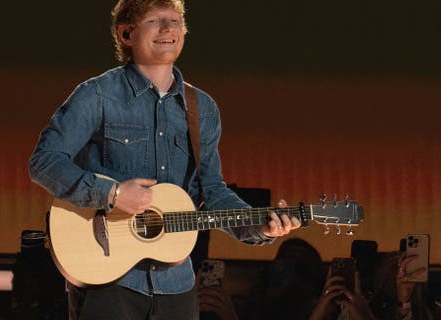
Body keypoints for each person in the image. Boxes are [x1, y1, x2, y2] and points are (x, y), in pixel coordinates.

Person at [28, 0, 301, 319]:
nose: (169, 28)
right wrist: (112, 194)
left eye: (175, 20)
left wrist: (261, 227)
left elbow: (212, 192)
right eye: (155, 21)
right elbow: (44, 161)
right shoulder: (97, 95)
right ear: (126, 34)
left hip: (177, 286)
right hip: (108, 280)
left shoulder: (204, 109)